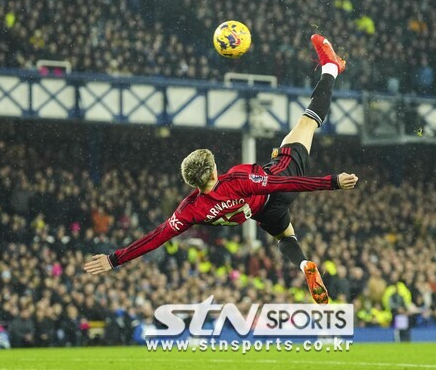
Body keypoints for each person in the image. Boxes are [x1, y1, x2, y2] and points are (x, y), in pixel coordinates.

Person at [84, 34, 359, 304]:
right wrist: (332, 181)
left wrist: (114, 259)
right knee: (307, 123)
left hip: (263, 213)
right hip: (278, 181)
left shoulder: (190, 209)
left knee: (285, 236)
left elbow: (155, 238)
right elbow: (282, 185)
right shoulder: (237, 179)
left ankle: (303, 265)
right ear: (214, 172)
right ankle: (331, 68)